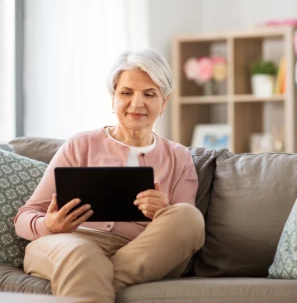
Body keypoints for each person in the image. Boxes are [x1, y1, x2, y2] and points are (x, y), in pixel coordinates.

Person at [14, 49, 205, 303]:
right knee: (82, 255)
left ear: (164, 102)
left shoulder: (179, 157)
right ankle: (91, 273)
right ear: (113, 98)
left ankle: (91, 278)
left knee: (188, 216)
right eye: (126, 93)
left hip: (139, 251)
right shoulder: (80, 145)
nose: (137, 104)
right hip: (70, 244)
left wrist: (163, 211)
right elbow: (23, 218)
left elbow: (185, 231)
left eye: (149, 94)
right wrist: (51, 225)